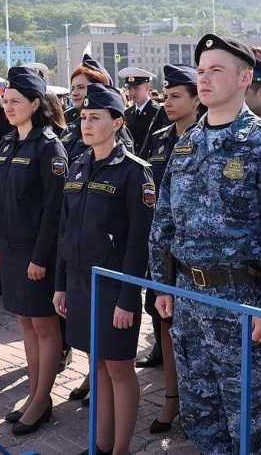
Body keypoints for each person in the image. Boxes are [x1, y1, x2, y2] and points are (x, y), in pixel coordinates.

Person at [149, 34, 261, 455]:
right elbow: (164, 221)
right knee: (201, 418)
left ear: (244, 78)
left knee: (247, 427)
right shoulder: (186, 143)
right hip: (188, 302)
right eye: (201, 71)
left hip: (242, 307)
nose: (204, 78)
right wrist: (163, 285)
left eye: (215, 70)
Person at [54, 83, 155, 455]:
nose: (86, 124)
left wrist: (129, 299)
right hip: (80, 283)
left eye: (96, 118)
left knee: (119, 369)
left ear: (117, 123)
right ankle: (100, 444)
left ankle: (120, 450)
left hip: (113, 289)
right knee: (96, 365)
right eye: (83, 117)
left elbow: (138, 243)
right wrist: (60, 284)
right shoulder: (78, 164)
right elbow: (65, 231)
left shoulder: (134, 173)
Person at [0, 66, 67, 436]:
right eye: (6, 101)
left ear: (36, 103)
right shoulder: (6, 142)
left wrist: (40, 257)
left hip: (38, 252)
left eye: (15, 102)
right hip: (11, 247)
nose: (8, 107)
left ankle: (41, 399)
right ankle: (37, 394)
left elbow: (54, 211)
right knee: (25, 322)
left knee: (44, 325)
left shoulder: (49, 146)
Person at [139, 63, 205, 435]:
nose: (167, 102)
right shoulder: (160, 138)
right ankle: (172, 398)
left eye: (176, 96)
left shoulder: (209, 136)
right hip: (162, 247)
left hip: (196, 250)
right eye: (165, 95)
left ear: (197, 100)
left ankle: (195, 402)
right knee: (164, 319)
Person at [119, 68, 163, 151]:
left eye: (136, 88)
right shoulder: (127, 113)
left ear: (147, 87)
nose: (132, 93)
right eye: (129, 89)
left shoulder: (157, 112)